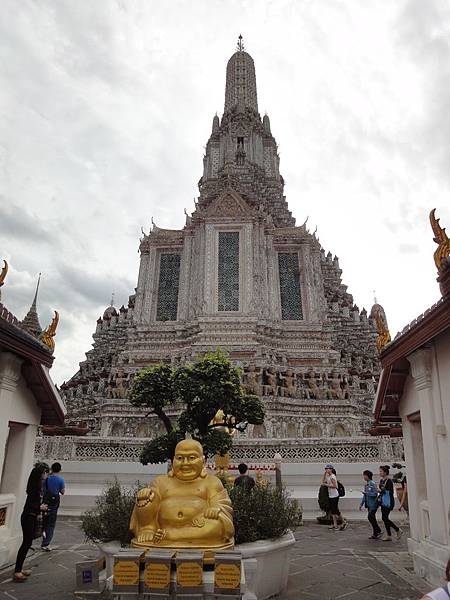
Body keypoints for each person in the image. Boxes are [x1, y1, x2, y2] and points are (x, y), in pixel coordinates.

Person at [13, 463, 49, 582]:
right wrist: (40, 507)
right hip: (28, 517)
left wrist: (39, 506)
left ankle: (19, 569)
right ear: (40, 474)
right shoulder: (34, 488)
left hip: (30, 516)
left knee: (27, 543)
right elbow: (30, 505)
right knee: (26, 543)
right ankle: (17, 571)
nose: (46, 474)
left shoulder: (37, 486)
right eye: (45, 472)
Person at [41, 462, 65, 552]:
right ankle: (46, 543)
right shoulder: (60, 480)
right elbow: (62, 492)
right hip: (54, 503)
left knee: (44, 522)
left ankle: (42, 538)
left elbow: (43, 489)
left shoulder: (46, 478)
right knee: (51, 524)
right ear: (60, 470)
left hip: (45, 502)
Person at [378, 465, 402, 541]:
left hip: (388, 502)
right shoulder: (381, 481)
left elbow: (390, 492)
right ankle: (389, 535)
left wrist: (381, 491)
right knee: (385, 518)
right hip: (383, 501)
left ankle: (397, 529)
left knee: (384, 518)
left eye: (381, 471)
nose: (380, 473)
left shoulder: (389, 481)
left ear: (385, 472)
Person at [322, 464, 347, 531]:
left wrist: (327, 485)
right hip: (331, 495)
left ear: (331, 469)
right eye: (326, 469)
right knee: (333, 511)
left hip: (334, 495)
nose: (326, 470)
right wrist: (324, 474)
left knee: (336, 510)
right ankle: (335, 524)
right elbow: (323, 481)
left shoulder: (332, 476)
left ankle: (343, 522)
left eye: (328, 469)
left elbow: (335, 486)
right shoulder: (328, 476)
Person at [359, 469, 382, 539]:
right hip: (368, 504)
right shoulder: (366, 485)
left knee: (370, 517)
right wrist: (361, 504)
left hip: (373, 504)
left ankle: (378, 530)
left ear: (368, 476)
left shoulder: (372, 483)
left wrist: (367, 493)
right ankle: (375, 533)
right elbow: (365, 495)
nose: (364, 477)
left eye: (364, 475)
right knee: (372, 518)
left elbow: (375, 494)